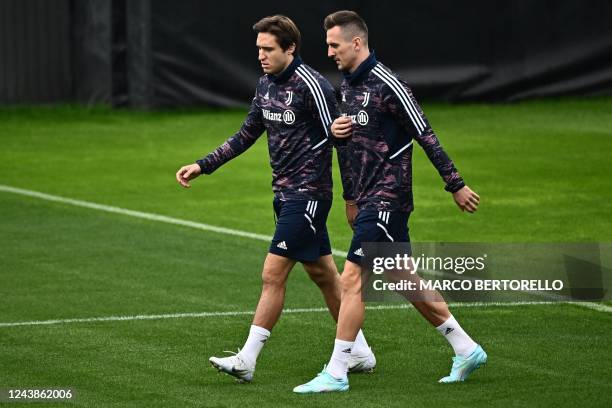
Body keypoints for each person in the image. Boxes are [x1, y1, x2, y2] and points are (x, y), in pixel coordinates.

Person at [293, 10, 486, 393]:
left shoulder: (389, 84)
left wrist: (456, 184)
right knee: (404, 278)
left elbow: (425, 135)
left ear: (356, 42)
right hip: (366, 200)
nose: (329, 51)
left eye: (334, 44)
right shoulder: (345, 86)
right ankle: (466, 348)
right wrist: (350, 195)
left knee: (351, 280)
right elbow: (348, 149)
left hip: (389, 198)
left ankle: (337, 372)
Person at [175, 15, 375, 383]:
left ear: (290, 48)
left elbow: (343, 142)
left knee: (272, 272)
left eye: (268, 49)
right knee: (323, 274)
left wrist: (352, 197)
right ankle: (359, 351)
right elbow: (246, 133)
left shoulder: (313, 85)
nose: (261, 56)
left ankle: (247, 359)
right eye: (258, 50)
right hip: (283, 195)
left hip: (309, 196)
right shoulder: (266, 84)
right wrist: (203, 165)